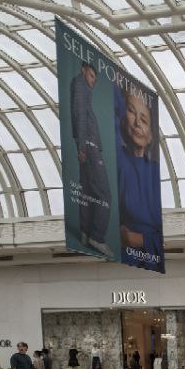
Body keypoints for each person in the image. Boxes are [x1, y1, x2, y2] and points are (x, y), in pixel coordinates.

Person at [116, 86, 164, 269]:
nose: (137, 123)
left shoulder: (155, 173)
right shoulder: (118, 159)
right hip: (125, 259)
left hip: (150, 260)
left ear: (151, 135)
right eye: (131, 111)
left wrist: (140, 239)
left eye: (144, 120)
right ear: (122, 119)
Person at [70, 62, 111, 256]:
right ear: (83, 71)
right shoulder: (80, 85)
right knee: (104, 194)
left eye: (95, 78)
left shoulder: (82, 88)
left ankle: (85, 234)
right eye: (92, 75)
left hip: (86, 145)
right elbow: (79, 115)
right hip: (89, 146)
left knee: (86, 191)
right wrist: (83, 146)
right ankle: (97, 237)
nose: (93, 81)